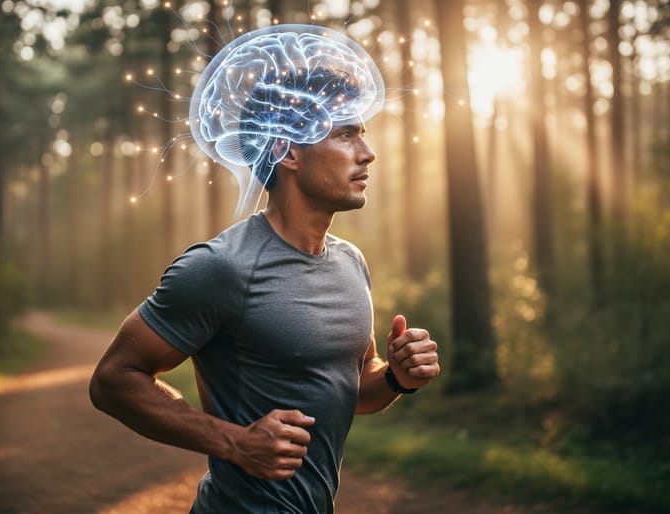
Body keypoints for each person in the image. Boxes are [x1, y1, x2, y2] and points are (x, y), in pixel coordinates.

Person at [89, 24, 440, 514]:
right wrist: (234, 443)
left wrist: (398, 377)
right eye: (344, 134)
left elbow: (353, 388)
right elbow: (113, 380)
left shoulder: (350, 262)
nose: (367, 152)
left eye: (362, 133)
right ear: (288, 151)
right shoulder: (221, 268)